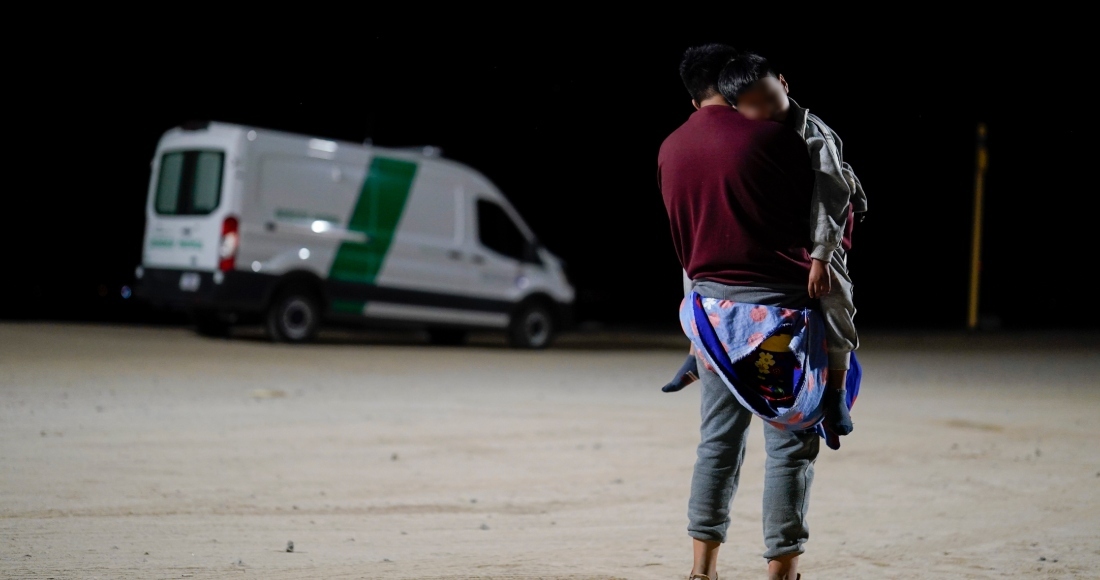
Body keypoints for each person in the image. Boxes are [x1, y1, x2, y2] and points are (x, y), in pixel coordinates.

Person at [658, 43, 840, 580]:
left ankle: (702, 569)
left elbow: (683, 242)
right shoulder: (778, 137)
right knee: (790, 444)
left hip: (711, 317)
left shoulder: (670, 148)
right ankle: (782, 570)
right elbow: (829, 217)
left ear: (695, 100)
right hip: (778, 315)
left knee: (717, 443)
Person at [717, 51, 867, 402]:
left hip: (825, 227)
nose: (767, 110)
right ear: (735, 108)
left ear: (783, 83)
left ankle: (837, 392)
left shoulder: (813, 135)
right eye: (754, 106)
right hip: (780, 234)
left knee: (836, 297)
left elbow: (832, 198)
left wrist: (822, 258)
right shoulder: (745, 135)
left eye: (771, 98)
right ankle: (699, 355)